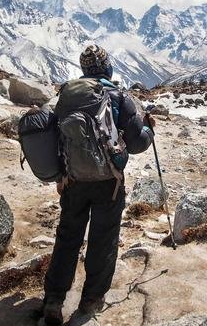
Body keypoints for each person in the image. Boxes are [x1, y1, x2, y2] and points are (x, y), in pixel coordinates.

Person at [38, 45, 155, 325]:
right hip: (108, 182)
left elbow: (57, 137)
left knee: (67, 238)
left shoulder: (67, 96)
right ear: (108, 67)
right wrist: (149, 130)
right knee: (103, 239)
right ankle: (90, 301)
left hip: (73, 181)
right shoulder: (117, 96)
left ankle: (54, 300)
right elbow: (137, 143)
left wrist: (60, 176)